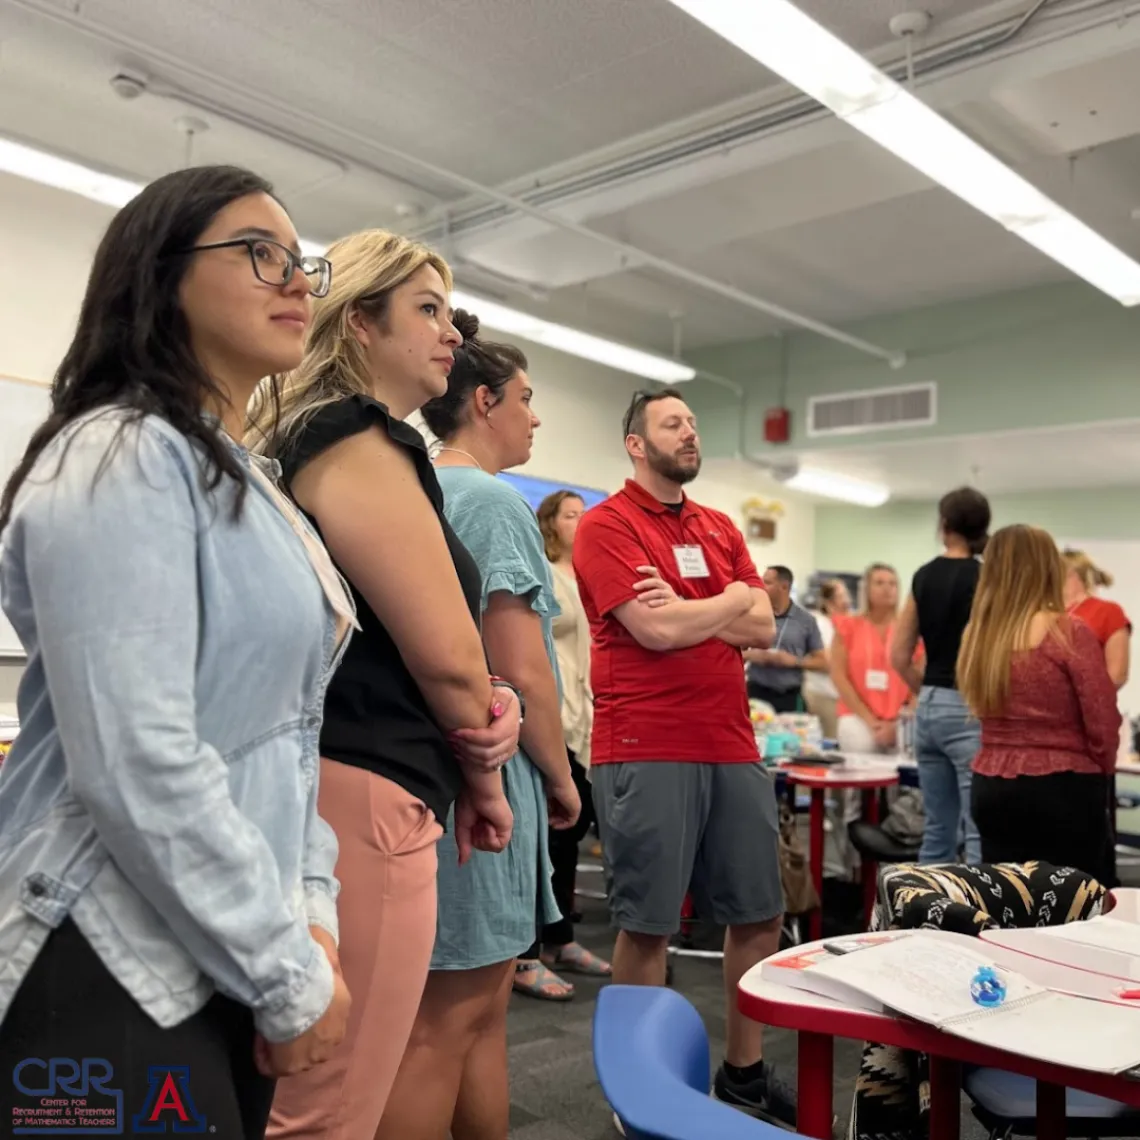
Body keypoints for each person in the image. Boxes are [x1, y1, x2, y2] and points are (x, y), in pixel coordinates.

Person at [0, 165, 353, 1137]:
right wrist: (290, 971)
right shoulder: (119, 453)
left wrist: (309, 919)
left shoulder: (244, 477)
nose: (294, 281)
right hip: (108, 945)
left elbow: (286, 743)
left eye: (301, 263)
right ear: (159, 275)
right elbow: (136, 760)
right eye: (258, 252)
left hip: (225, 939)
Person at [248, 232, 521, 1140]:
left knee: (315, 1086)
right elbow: (446, 655)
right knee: (333, 1103)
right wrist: (485, 762)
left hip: (334, 785)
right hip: (365, 793)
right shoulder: (356, 436)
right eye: (428, 310)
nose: (452, 334)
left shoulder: (305, 438)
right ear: (360, 321)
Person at [376, 311, 580, 1140]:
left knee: (472, 1020)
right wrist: (565, 779)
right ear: (485, 400)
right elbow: (518, 668)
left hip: (439, 773)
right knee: (446, 1026)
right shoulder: (490, 501)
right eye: (527, 399)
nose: (535, 418)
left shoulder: (413, 484)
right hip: (483, 778)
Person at [574, 388, 795, 1128]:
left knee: (760, 913)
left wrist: (718, 602)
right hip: (646, 743)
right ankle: (638, 1092)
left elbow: (764, 625)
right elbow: (654, 630)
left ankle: (744, 1074)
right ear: (636, 444)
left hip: (730, 742)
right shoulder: (606, 526)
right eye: (673, 424)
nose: (689, 433)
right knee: (648, 926)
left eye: (693, 424)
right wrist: (729, 601)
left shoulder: (719, 524)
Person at [959, 526, 1120, 883]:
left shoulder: (978, 637)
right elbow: (1102, 718)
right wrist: (1101, 769)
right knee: (1079, 911)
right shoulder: (1069, 631)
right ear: (1048, 567)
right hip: (1063, 788)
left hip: (991, 785)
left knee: (1008, 906)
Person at [516, 488, 613, 999]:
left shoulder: (587, 577)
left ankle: (560, 938)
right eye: (572, 514)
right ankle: (525, 952)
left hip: (586, 717)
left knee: (570, 830)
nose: (582, 521)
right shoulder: (543, 569)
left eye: (585, 513)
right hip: (549, 713)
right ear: (551, 522)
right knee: (544, 836)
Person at [892, 487, 990, 865]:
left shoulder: (923, 576)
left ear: (944, 525)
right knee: (978, 830)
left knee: (937, 830)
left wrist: (929, 690)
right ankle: (984, 920)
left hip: (928, 708)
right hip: (969, 706)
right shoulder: (987, 579)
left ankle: (929, 916)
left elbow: (899, 656)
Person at [830, 563, 913, 754]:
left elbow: (919, 679)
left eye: (893, 584)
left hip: (900, 719)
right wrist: (871, 721)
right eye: (880, 583)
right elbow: (839, 677)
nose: (887, 588)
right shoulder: (848, 626)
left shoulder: (910, 631)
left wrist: (897, 724)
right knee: (862, 746)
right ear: (866, 589)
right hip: (857, 715)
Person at [743, 565, 827, 711]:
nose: (761, 587)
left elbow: (823, 663)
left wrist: (794, 661)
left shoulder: (806, 621)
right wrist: (751, 655)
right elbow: (735, 652)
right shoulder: (754, 615)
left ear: (784, 587)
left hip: (788, 698)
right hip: (755, 693)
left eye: (767, 583)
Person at [1063, 550, 1131, 690]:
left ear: (1072, 574)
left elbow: (1117, 676)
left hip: (1088, 707)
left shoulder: (1108, 611)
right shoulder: (1043, 614)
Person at [802, 578, 850, 739]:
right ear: (829, 602)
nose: (847, 601)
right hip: (822, 695)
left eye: (847, 596)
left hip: (839, 695)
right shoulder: (820, 624)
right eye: (842, 596)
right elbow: (827, 663)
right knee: (830, 742)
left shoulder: (844, 624)